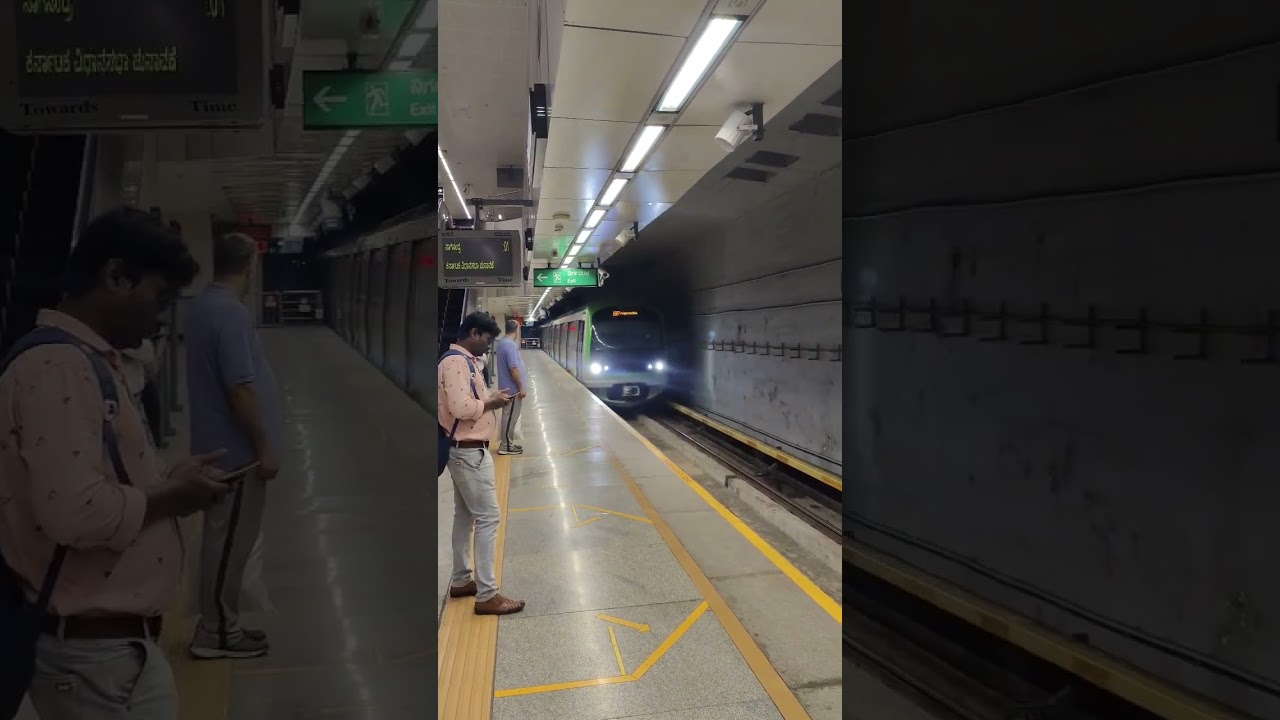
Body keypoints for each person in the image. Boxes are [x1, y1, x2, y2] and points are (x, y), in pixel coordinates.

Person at [0, 207, 230, 719]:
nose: (160, 319)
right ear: (116, 277)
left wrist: (170, 482)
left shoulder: (89, 363)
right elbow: (76, 513)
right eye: (158, 298)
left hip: (112, 651)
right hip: (89, 657)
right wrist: (173, 497)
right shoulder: (58, 367)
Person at [185, 232, 283, 659]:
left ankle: (224, 623)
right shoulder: (229, 313)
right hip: (235, 455)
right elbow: (239, 388)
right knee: (228, 545)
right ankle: (217, 630)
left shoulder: (206, 306)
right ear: (250, 266)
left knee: (225, 541)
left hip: (223, 449)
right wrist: (263, 446)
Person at [439, 312, 525, 615]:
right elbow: (461, 407)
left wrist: (489, 396)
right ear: (473, 333)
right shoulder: (455, 363)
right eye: (486, 341)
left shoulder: (465, 363)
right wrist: (492, 402)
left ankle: (462, 580)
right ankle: (487, 594)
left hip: (467, 450)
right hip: (468, 451)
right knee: (488, 518)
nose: (487, 348)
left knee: (464, 516)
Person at [494, 319, 528, 456]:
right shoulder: (510, 345)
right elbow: (513, 368)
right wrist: (521, 386)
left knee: (509, 417)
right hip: (512, 390)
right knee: (510, 418)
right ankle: (505, 445)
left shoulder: (502, 343)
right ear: (517, 330)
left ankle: (508, 443)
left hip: (507, 387)